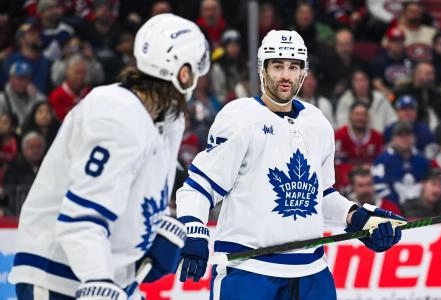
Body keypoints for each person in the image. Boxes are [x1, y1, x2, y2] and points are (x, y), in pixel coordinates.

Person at [175, 30, 405, 300]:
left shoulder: (317, 122)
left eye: (293, 67)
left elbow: (319, 194)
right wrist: (195, 230)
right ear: (263, 70)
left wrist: (358, 217)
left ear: (303, 73)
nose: (286, 76)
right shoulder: (239, 118)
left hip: (312, 273)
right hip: (249, 272)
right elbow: (199, 187)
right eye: (278, 66)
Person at [8, 13, 210, 300]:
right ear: (184, 73)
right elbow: (82, 218)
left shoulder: (168, 120)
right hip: (60, 278)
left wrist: (155, 228)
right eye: (197, 69)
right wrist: (98, 280)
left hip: (113, 280)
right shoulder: (114, 114)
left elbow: (135, 195)